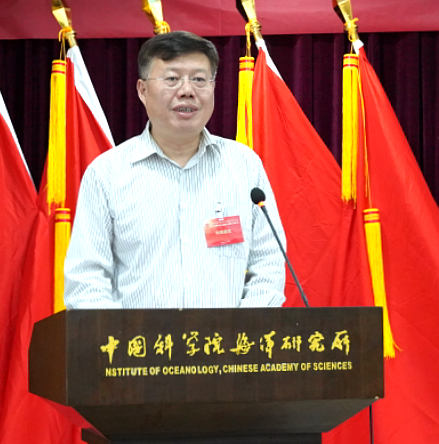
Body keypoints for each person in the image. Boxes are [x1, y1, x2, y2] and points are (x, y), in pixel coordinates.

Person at [62, 31, 287, 309]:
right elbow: (86, 279)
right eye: (172, 79)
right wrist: (121, 335)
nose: (187, 90)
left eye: (199, 79)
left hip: (229, 337)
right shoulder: (107, 173)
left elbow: (268, 262)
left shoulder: (243, 166)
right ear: (142, 90)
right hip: (135, 337)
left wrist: (243, 330)